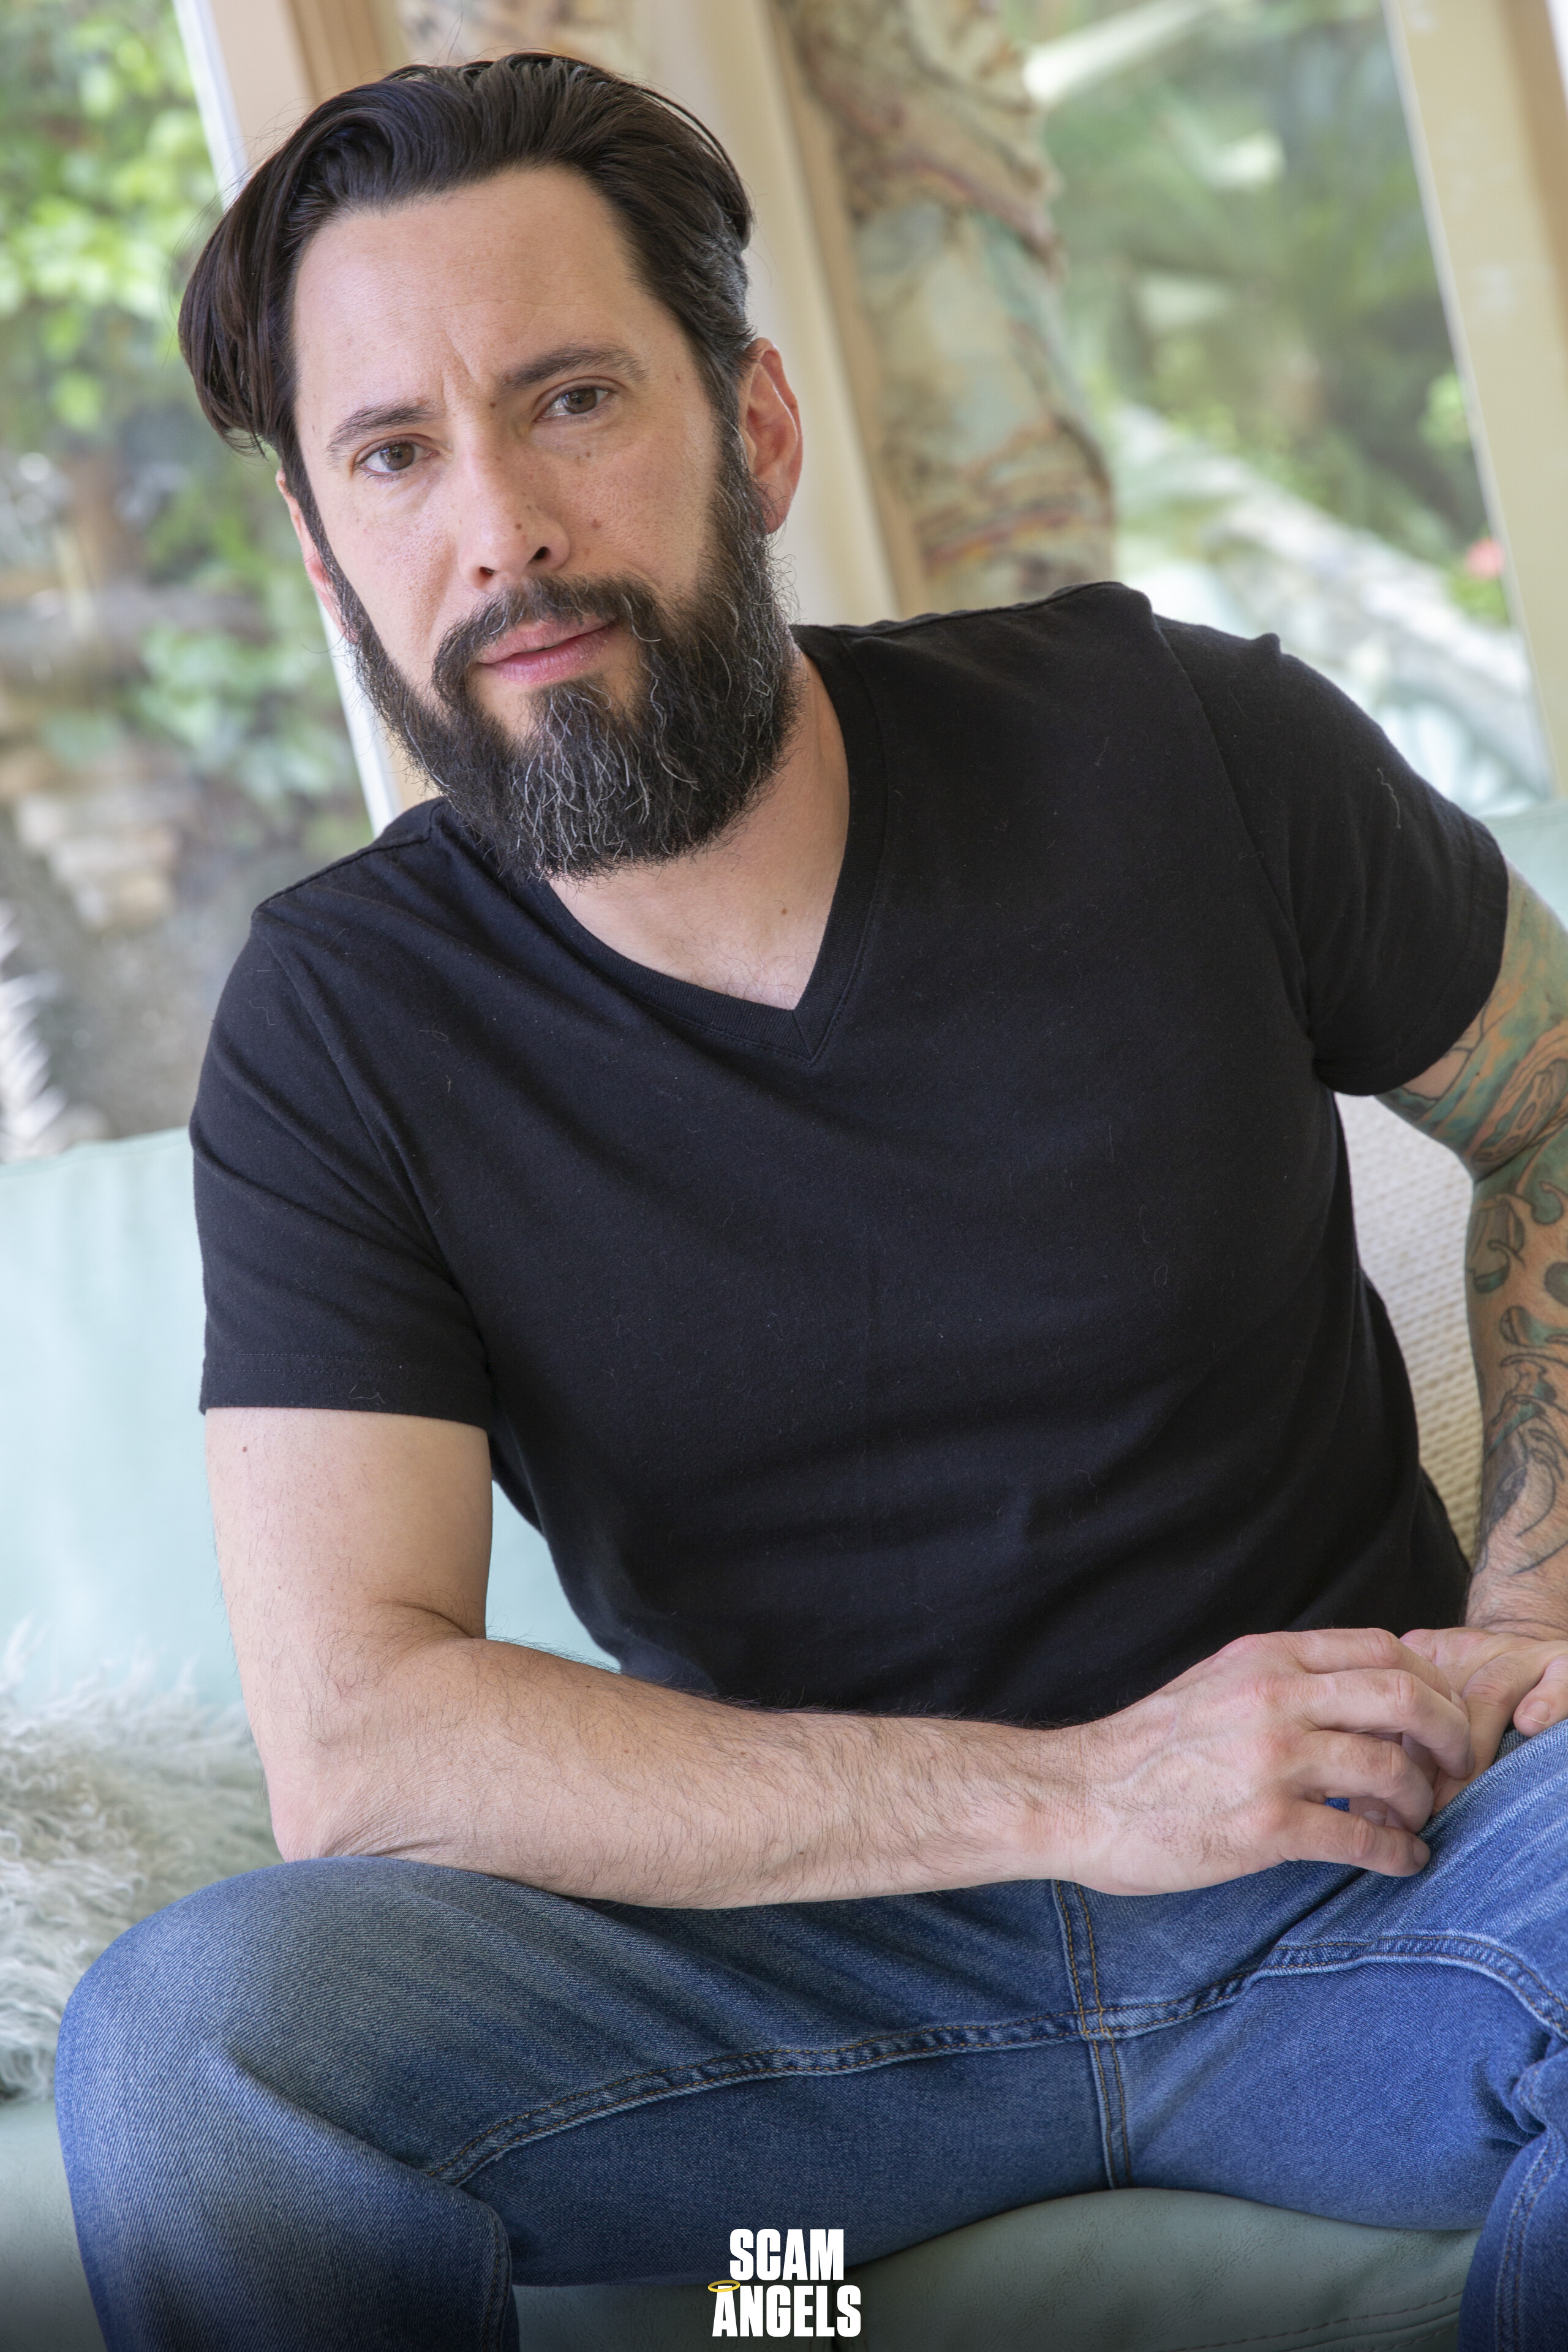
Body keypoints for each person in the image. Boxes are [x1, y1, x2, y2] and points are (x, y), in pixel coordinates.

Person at [53, 50, 1568, 2351]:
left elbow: (1553, 1100)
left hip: (1369, 1885)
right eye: (394, 454)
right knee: (193, 2049)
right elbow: (363, 1741)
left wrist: (1536, 1603)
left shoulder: (1184, 749)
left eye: (570, 400)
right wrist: (1090, 1793)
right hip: (806, 2032)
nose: (499, 529)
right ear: (325, 546)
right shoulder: (338, 1026)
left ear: (754, 429)